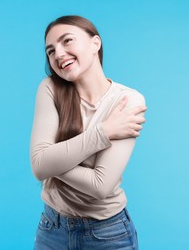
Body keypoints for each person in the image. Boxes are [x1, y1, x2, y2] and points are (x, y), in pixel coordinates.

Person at [30, 15, 147, 249]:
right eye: (50, 51)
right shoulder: (50, 88)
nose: (59, 54)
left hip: (107, 235)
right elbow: (39, 166)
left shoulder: (127, 100)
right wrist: (103, 132)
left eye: (67, 41)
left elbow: (99, 186)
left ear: (95, 43)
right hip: (52, 228)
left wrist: (52, 160)